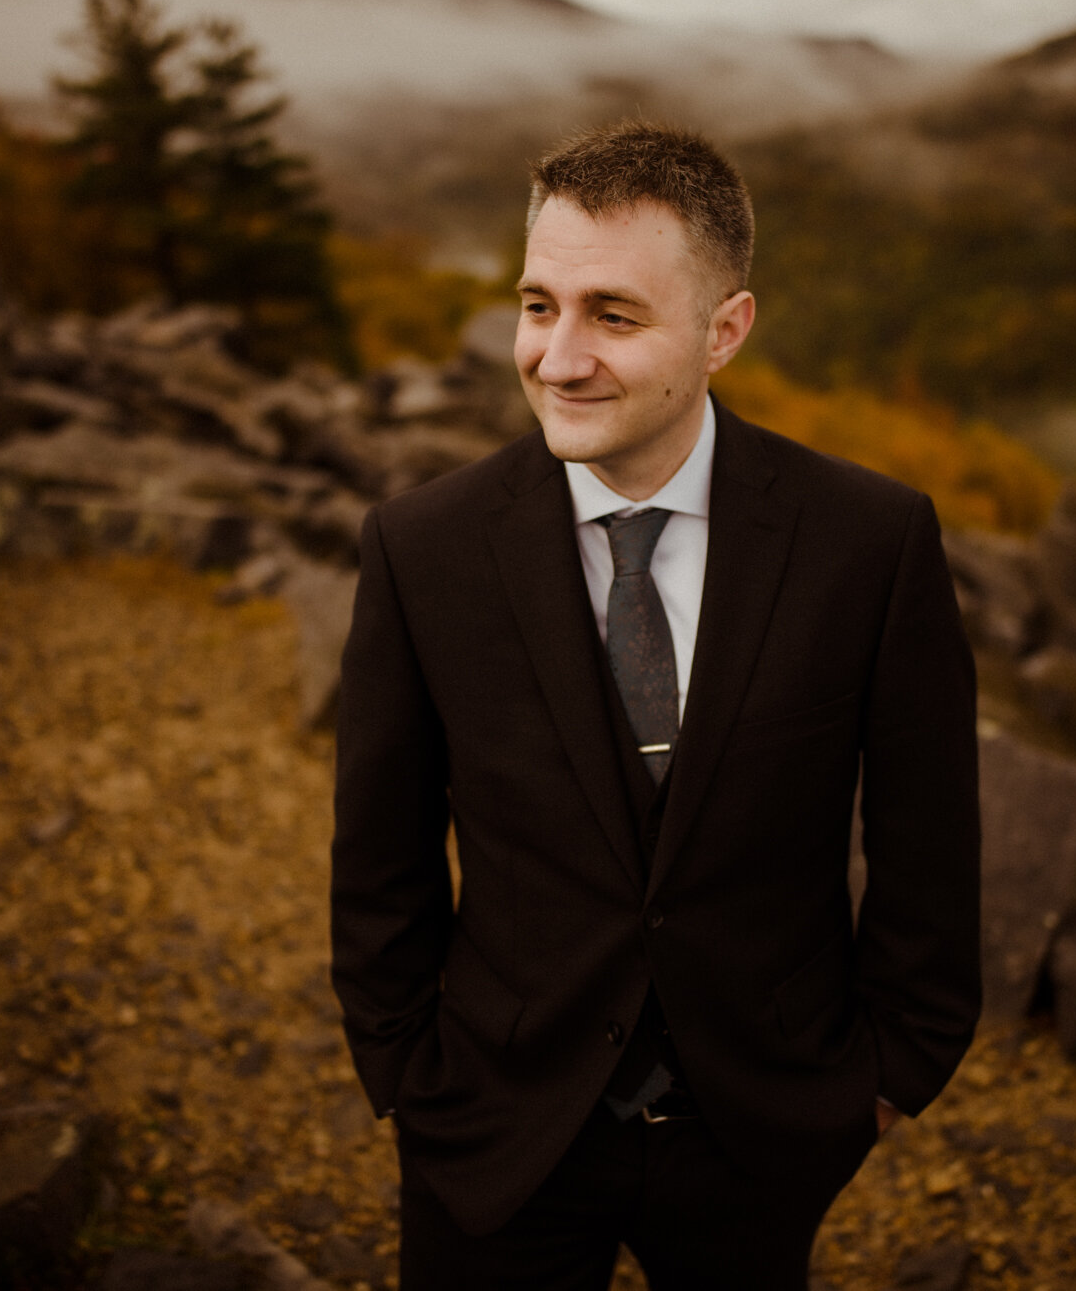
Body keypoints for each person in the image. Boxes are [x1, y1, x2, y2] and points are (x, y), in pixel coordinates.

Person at [330, 121, 980, 1289]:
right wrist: (404, 1070)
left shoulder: (867, 544)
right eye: (539, 305)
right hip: (494, 1122)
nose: (557, 357)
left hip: (761, 1131)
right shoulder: (420, 549)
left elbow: (928, 843)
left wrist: (884, 1079)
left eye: (612, 316)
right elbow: (379, 858)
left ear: (723, 330)